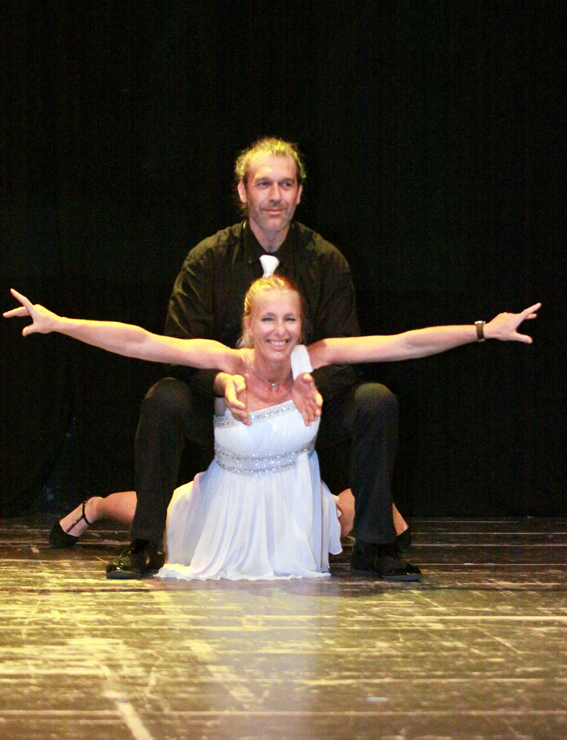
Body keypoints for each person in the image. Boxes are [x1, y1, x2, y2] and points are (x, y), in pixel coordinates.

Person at [5, 283, 539, 580]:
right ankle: (98, 506)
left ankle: (355, 506)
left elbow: (404, 344)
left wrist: (483, 331)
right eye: (267, 319)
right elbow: (140, 342)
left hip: (293, 503)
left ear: (301, 326)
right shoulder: (226, 363)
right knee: (166, 515)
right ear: (248, 324)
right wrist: (61, 324)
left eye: (289, 320)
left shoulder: (315, 358)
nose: (279, 331)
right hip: (227, 504)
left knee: (341, 517)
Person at [95, 136, 414, 580]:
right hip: (225, 415)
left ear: (299, 193)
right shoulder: (207, 260)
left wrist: (299, 388)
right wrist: (224, 384)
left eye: (286, 184)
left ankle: (375, 544)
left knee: (375, 400)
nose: (275, 196)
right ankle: (145, 544)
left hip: (301, 412)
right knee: (164, 398)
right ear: (243, 191)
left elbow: (347, 354)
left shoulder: (327, 261)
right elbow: (176, 350)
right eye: (264, 184)